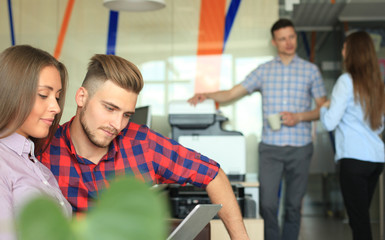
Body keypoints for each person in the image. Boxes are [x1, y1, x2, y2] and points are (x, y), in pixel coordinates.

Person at [37, 54, 250, 239]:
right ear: (82, 97)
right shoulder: (42, 150)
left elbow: (213, 174)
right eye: (110, 108)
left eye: (126, 115)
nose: (117, 125)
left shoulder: (142, 144)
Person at [188, 18, 326, 240]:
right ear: (274, 42)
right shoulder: (264, 71)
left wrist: (299, 116)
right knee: (268, 205)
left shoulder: (311, 71)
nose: (288, 42)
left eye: (291, 37)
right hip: (270, 149)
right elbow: (233, 93)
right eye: (282, 38)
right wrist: (208, 94)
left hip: (301, 148)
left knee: (293, 206)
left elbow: (322, 109)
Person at [0, 45, 72, 239]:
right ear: (11, 92)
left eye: (57, 97)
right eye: (43, 95)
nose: (56, 107)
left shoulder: (39, 168)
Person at [320, 31, 385, 240]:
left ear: (353, 52)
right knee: (361, 217)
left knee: (359, 222)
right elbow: (379, 126)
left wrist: (323, 107)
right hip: (376, 159)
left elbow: (329, 122)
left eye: (345, 47)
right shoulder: (377, 84)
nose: (342, 51)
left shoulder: (346, 81)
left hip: (354, 159)